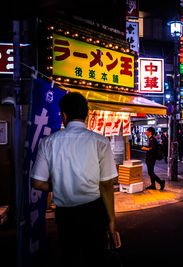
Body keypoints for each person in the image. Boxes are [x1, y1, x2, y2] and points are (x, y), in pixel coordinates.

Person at [31, 92, 118, 267]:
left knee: (70, 258)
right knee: (96, 258)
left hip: (65, 214)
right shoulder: (100, 141)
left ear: (63, 115)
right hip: (94, 211)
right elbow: (107, 184)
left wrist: (60, 184)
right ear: (86, 115)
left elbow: (37, 182)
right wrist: (111, 220)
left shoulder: (49, 142)